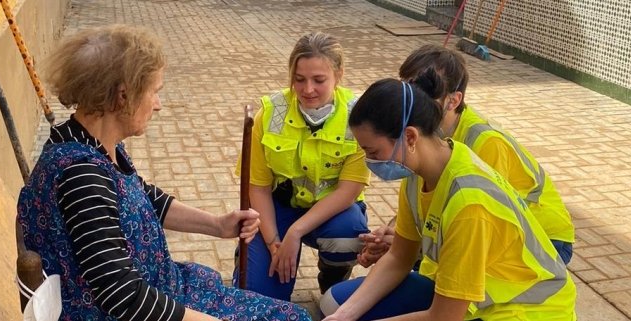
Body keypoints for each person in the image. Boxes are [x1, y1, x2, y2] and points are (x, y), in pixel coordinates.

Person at [17, 25, 311, 321]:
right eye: (154, 92)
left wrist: (218, 226)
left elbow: (144, 197)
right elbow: (122, 297)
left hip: (162, 290)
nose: (158, 105)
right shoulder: (82, 177)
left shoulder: (85, 141)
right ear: (123, 96)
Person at [320, 76, 576, 320]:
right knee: (335, 305)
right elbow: (399, 258)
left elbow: (443, 317)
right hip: (476, 302)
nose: (370, 161)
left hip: (524, 312)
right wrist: (344, 316)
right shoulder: (418, 174)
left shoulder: (469, 204)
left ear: (409, 137)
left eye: (373, 151)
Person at [358, 44, 575, 268]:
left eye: (424, 93)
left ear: (453, 100)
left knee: (429, 266)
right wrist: (393, 232)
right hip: (484, 229)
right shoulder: (419, 132)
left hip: (544, 238)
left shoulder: (486, 143)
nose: (412, 102)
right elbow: (419, 197)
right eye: (408, 90)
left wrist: (409, 247)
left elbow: (481, 222)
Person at [232, 32, 371, 301]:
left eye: (319, 80)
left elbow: (348, 191)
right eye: (299, 80)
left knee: (349, 234)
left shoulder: (358, 117)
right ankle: (253, 254)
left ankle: (332, 279)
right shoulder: (270, 112)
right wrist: (274, 243)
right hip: (278, 211)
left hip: (332, 214)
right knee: (257, 300)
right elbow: (257, 187)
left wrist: (296, 232)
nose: (308, 90)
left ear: (339, 75)